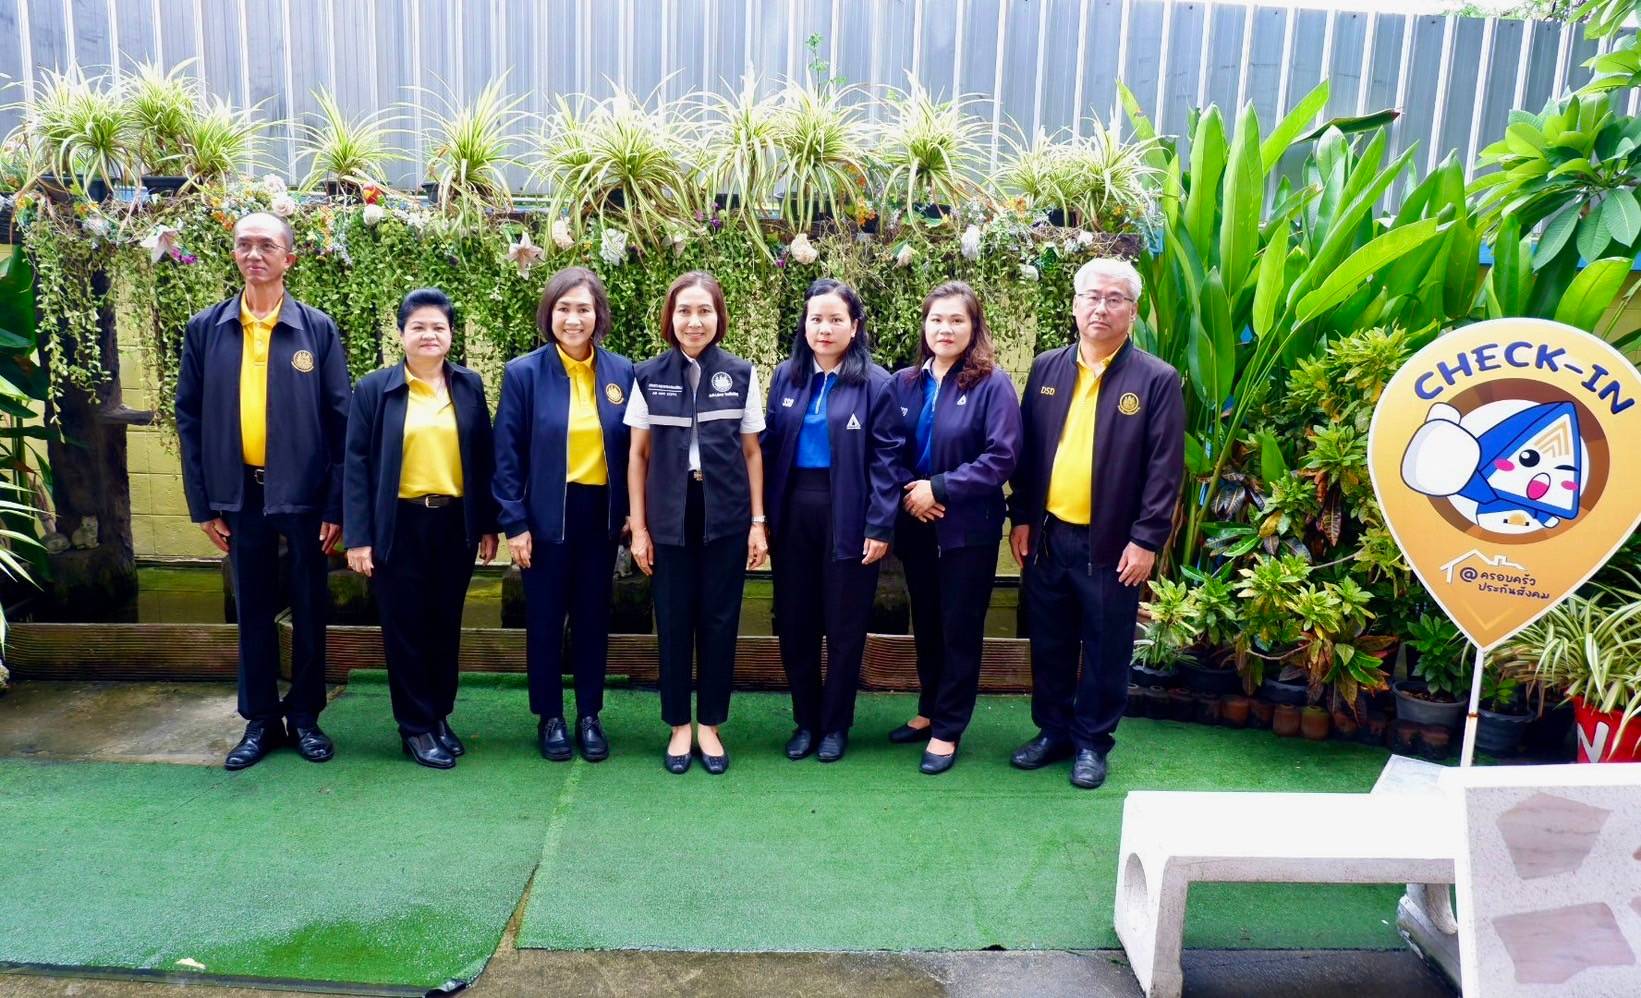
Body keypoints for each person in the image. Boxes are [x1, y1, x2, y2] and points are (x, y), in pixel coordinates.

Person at [175, 211, 350, 770]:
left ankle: (305, 717)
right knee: (250, 608)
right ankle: (260, 720)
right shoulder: (207, 329)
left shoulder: (315, 330)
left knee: (310, 607)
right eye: (244, 245)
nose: (255, 254)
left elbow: (341, 422)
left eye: (267, 246)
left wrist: (336, 504)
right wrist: (203, 504)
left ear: (288, 259)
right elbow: (188, 418)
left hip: (304, 497)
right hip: (239, 496)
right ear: (234, 254)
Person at [1007, 258, 1185, 789]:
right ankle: (1053, 731)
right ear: (1075, 304)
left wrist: (1146, 539)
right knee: (1050, 641)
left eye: (1114, 299)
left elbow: (1165, 468)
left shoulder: (1155, 379)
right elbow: (1028, 452)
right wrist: (1022, 517)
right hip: (1048, 536)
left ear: (1132, 311)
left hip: (1112, 544)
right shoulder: (1047, 368)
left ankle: (1091, 742)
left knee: (1107, 647)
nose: (1100, 308)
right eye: (1091, 296)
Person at [342, 289, 499, 769]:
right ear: (401, 333)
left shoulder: (468, 385)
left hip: (454, 523)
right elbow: (355, 465)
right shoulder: (375, 389)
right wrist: (358, 537)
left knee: (444, 624)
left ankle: (439, 714)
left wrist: (488, 524)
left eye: (438, 327)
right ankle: (414, 726)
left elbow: (483, 457)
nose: (429, 335)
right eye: (418, 327)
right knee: (405, 627)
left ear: (450, 335)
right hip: (398, 524)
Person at [626, 271, 768, 775]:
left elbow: (752, 453)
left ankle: (710, 724)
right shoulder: (647, 375)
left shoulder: (741, 374)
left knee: (720, 619)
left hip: (725, 512)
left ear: (718, 317)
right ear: (671, 317)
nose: (694, 321)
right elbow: (638, 456)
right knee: (672, 618)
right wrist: (639, 529)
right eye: (684, 311)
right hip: (668, 512)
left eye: (704, 311)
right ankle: (678, 726)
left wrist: (757, 522)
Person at [493, 267, 634, 763]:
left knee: (594, 617)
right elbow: (506, 456)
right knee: (546, 618)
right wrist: (515, 524)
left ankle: (589, 714)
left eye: (583, 309)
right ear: (549, 314)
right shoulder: (524, 373)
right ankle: (549, 715)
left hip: (601, 516)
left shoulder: (622, 372)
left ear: (599, 315)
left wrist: (631, 513)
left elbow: (636, 450)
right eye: (564, 308)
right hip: (545, 515)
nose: (574, 319)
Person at [761, 279, 902, 764]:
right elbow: (768, 448)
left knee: (845, 625)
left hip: (850, 513)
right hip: (792, 511)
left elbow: (888, 460)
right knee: (795, 622)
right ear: (804, 325)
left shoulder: (877, 384)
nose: (824, 328)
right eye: (816, 319)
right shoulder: (787, 376)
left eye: (835, 319)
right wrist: (761, 518)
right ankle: (806, 720)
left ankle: (836, 724)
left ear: (854, 326)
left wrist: (880, 525)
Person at [886, 281, 1021, 775]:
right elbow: (885, 448)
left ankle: (948, 728)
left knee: (960, 629)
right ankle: (929, 709)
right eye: (937, 319)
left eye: (956, 320)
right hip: (916, 523)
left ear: (973, 327)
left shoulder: (992, 385)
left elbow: (1002, 457)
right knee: (926, 622)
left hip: (968, 530)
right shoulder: (904, 383)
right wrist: (912, 492)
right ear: (924, 325)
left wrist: (939, 489)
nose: (945, 329)